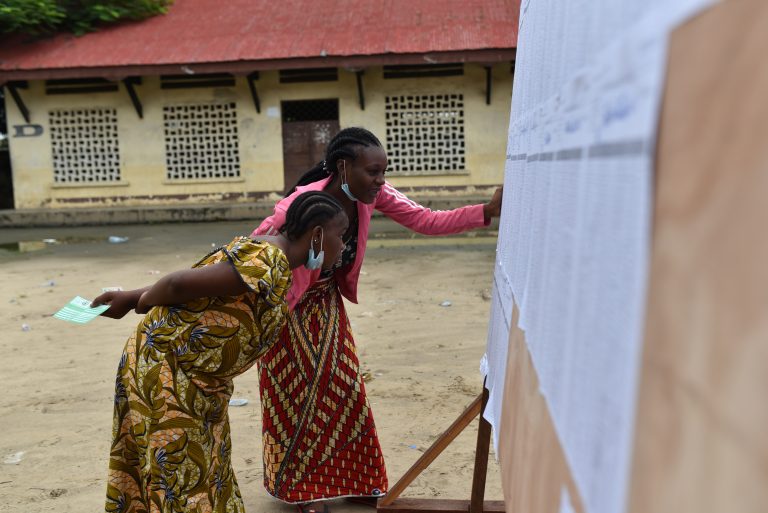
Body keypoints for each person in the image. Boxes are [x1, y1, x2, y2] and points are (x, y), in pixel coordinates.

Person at [252, 127, 503, 507]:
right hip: (287, 309)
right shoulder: (301, 203)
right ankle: (302, 491)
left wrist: (485, 211)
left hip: (327, 304)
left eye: (383, 172)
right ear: (343, 166)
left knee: (345, 391)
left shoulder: (372, 196)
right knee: (296, 397)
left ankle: (356, 483)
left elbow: (425, 220)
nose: (381, 181)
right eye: (373, 172)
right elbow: (254, 247)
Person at [93, 191, 348, 513]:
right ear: (318, 235)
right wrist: (141, 302)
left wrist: (130, 299)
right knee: (183, 478)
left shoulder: (270, 257)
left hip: (197, 381)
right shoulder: (267, 258)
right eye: (341, 236)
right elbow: (177, 285)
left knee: (208, 471)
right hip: (168, 374)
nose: (344, 246)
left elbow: (201, 291)